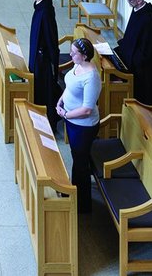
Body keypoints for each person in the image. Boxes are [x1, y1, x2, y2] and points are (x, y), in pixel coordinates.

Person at [55, 36, 101, 214]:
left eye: (74, 53)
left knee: (80, 163)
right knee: (76, 158)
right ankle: (75, 192)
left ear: (84, 55)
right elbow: (69, 85)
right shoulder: (78, 65)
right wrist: (61, 100)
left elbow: (87, 109)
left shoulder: (92, 77)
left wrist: (65, 113)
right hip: (72, 121)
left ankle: (82, 204)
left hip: (83, 127)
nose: (71, 55)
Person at [113, 0, 152, 106]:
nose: (128, 1)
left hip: (144, 64)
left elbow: (146, 47)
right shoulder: (137, 8)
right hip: (132, 50)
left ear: (139, 0)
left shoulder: (147, 17)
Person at [28, 0, 59, 129]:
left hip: (43, 58)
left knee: (43, 89)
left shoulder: (45, 12)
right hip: (37, 53)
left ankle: (47, 120)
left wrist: (51, 58)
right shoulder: (40, 5)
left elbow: (50, 36)